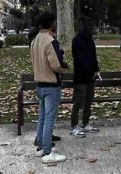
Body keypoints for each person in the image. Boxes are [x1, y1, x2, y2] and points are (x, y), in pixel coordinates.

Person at [31, 12, 69, 163]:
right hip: (51, 85)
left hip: (40, 85)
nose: (56, 24)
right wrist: (65, 66)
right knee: (49, 119)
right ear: (51, 23)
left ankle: (40, 147)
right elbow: (57, 65)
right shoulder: (51, 40)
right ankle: (47, 152)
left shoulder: (35, 40)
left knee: (42, 117)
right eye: (55, 22)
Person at [69, 17, 100, 138]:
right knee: (78, 102)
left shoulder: (90, 40)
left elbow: (93, 56)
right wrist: (90, 70)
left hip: (91, 77)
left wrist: (96, 69)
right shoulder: (76, 41)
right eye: (89, 25)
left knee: (88, 101)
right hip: (81, 76)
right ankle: (73, 126)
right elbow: (79, 59)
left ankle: (85, 123)